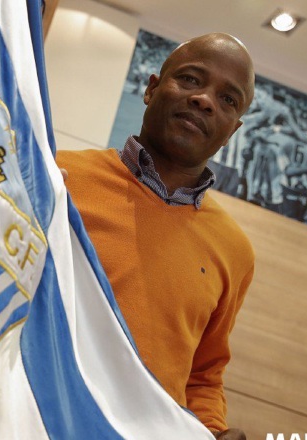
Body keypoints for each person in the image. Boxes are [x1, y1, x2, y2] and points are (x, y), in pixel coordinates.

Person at [56, 33, 256, 439]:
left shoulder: (235, 252)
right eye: (190, 79)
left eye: (227, 100)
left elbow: (203, 374)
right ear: (151, 89)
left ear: (232, 131)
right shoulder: (56, 177)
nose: (204, 100)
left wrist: (214, 431)